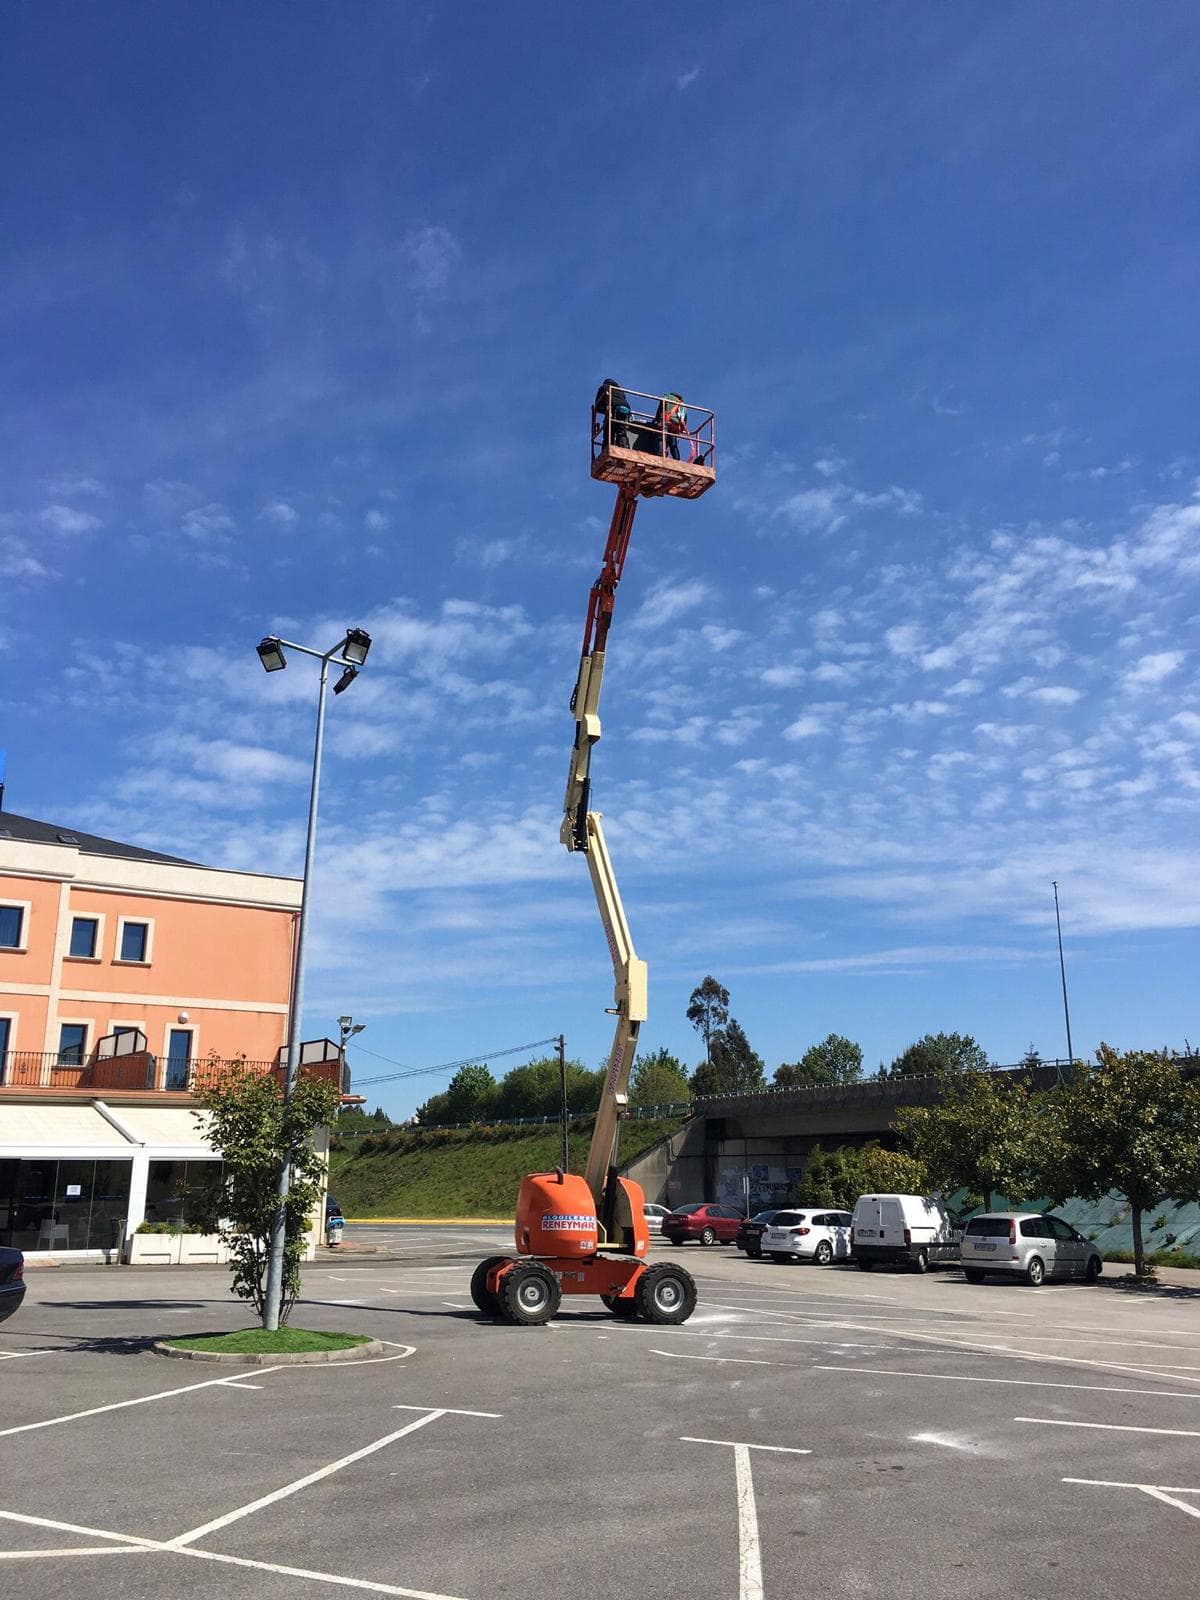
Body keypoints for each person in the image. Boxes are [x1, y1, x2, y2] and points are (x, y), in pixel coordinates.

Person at [593, 378, 632, 449]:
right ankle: (623, 448)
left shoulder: (603, 387)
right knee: (621, 431)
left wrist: (602, 408)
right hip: (626, 410)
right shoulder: (620, 390)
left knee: (609, 432)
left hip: (614, 409)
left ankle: (607, 448)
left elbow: (597, 404)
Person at [653, 391, 689, 460]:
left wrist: (657, 418)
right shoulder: (684, 406)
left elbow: (662, 404)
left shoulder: (668, 397)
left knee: (661, 439)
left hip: (666, 422)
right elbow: (684, 421)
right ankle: (677, 459)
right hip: (675, 426)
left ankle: (660, 456)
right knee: (673, 444)